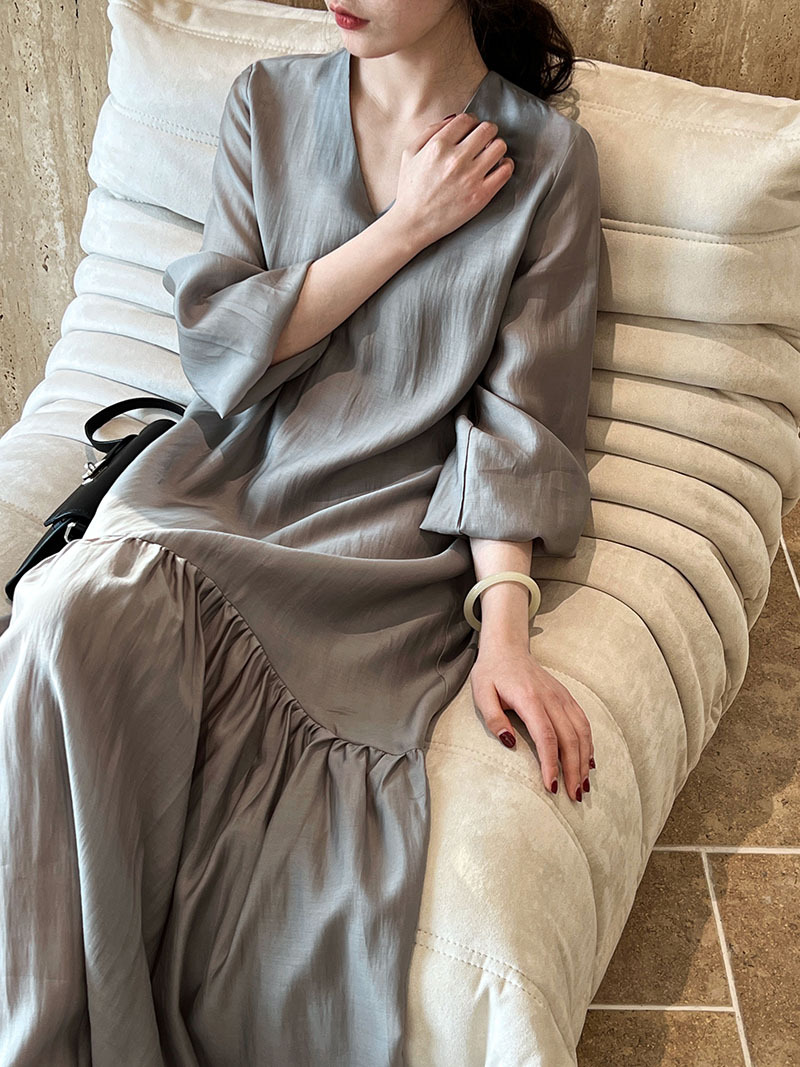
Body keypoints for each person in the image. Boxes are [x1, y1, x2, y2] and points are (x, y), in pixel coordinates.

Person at [0, 0, 602, 1062]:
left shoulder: (545, 160)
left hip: (376, 550)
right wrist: (406, 225)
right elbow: (221, 347)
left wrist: (503, 634)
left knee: (279, 867)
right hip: (222, 491)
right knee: (58, 626)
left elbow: (516, 426)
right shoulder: (266, 105)